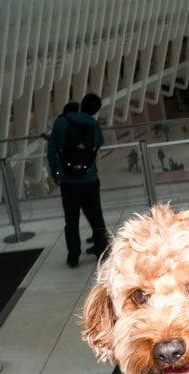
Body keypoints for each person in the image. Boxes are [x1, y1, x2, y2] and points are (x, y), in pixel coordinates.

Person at [46, 93, 108, 268]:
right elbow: (99, 144)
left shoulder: (62, 122)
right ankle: (101, 252)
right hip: (90, 179)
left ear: (81, 104)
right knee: (96, 218)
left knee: (71, 221)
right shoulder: (94, 126)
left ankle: (73, 257)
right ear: (95, 110)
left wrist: (56, 174)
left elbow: (52, 152)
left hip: (68, 182)